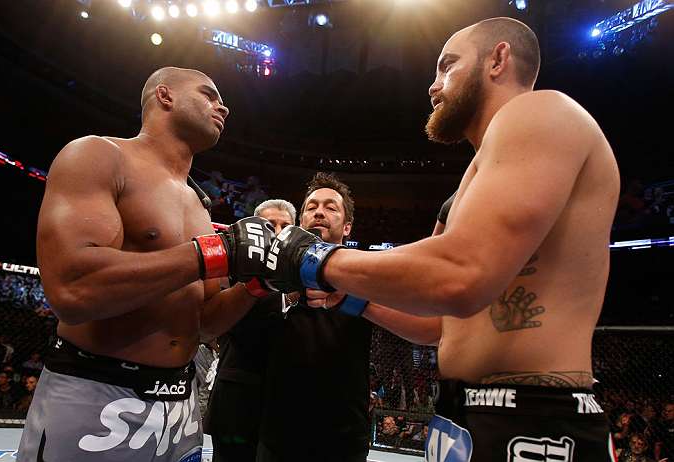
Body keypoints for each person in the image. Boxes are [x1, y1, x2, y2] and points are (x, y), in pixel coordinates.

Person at [265, 17, 620, 461]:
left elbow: (462, 274)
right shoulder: (468, 187)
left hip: (535, 417)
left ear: (498, 59)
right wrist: (349, 297)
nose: (432, 87)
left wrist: (312, 257)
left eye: (446, 66)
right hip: (458, 414)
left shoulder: (543, 112)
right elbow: (437, 323)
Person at [16, 66, 277, 461]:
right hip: (96, 393)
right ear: (165, 95)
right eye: (208, 94)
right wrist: (214, 253)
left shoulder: (199, 206)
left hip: (182, 406)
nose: (222, 107)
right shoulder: (98, 155)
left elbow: (204, 324)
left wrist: (260, 282)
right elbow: (73, 288)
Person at [258, 172, 438, 462]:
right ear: (299, 222)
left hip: (342, 433)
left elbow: (428, 327)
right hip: (278, 431)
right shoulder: (270, 274)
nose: (319, 212)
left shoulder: (365, 274)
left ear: (347, 227)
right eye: (311, 207)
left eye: (331, 207)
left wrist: (350, 297)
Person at [204, 199, 296, 462]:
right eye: (270, 225)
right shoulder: (234, 269)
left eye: (285, 226)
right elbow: (237, 323)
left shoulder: (304, 274)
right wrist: (290, 297)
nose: (277, 232)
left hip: (286, 411)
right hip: (237, 407)